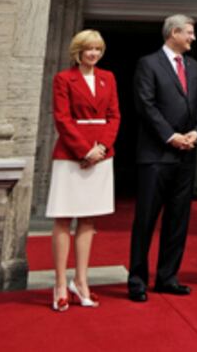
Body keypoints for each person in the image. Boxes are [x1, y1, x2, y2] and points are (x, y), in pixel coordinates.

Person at [128, 14, 197, 302]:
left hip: (186, 155)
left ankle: (167, 277)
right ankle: (137, 281)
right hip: (156, 155)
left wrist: (196, 133)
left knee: (178, 220)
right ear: (174, 33)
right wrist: (171, 136)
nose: (193, 38)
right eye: (189, 32)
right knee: (146, 220)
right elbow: (145, 105)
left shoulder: (194, 67)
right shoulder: (148, 64)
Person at [46, 29, 119, 312]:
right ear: (78, 51)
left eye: (98, 49)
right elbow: (62, 119)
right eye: (89, 49)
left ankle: (81, 281)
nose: (94, 54)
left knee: (88, 220)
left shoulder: (108, 78)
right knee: (64, 218)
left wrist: (101, 148)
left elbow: (114, 116)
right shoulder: (63, 79)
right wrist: (84, 150)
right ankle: (60, 284)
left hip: (101, 155)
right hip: (70, 155)